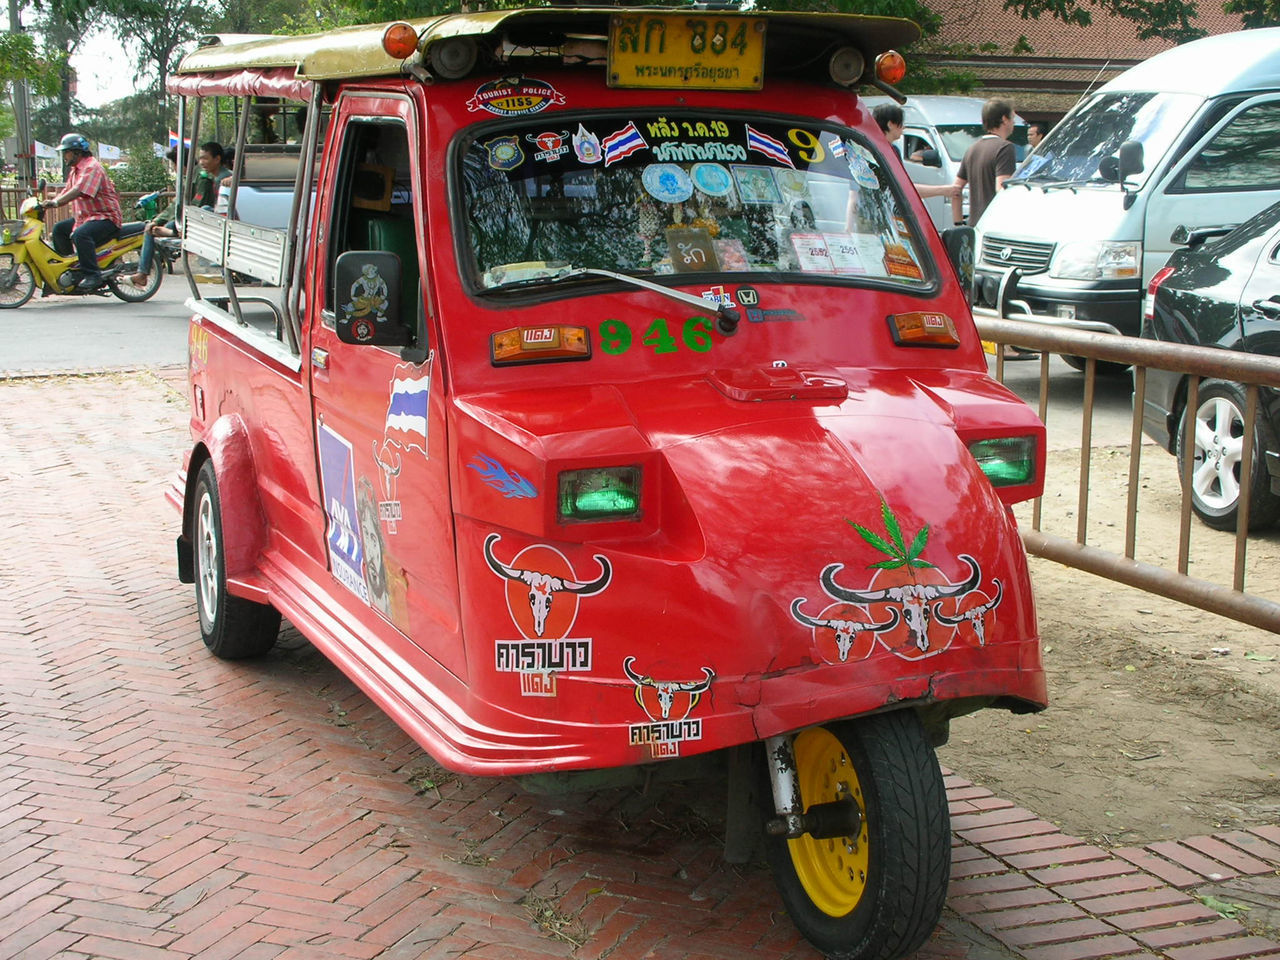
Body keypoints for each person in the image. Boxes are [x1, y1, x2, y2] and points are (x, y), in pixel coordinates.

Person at [131, 141, 229, 288]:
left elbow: (197, 205)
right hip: (194, 218)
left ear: (217, 159)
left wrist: (170, 223)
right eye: (200, 158)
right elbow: (178, 204)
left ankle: (173, 232)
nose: (202, 162)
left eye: (205, 158)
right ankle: (142, 273)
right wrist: (158, 220)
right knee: (149, 229)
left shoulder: (206, 177)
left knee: (203, 210)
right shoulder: (197, 177)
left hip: (208, 220)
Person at [43, 133, 123, 292]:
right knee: (59, 229)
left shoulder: (92, 167)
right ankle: (73, 270)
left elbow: (79, 190)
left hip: (105, 218)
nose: (64, 156)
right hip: (87, 218)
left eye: (66, 152)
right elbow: (67, 190)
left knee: (81, 235)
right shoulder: (75, 170)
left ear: (77, 152)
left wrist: (56, 202)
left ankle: (93, 275)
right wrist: (47, 203)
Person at [872, 103, 960, 202]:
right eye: (900, 123)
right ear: (890, 124)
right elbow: (904, 189)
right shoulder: (881, 152)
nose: (903, 127)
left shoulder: (889, 150)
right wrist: (944, 190)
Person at [951, 98, 1016, 229]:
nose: (1013, 123)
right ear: (1004, 119)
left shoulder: (972, 149)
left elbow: (955, 190)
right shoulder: (1005, 148)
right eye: (1012, 118)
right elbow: (1002, 189)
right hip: (996, 225)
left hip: (974, 224)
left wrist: (958, 225)